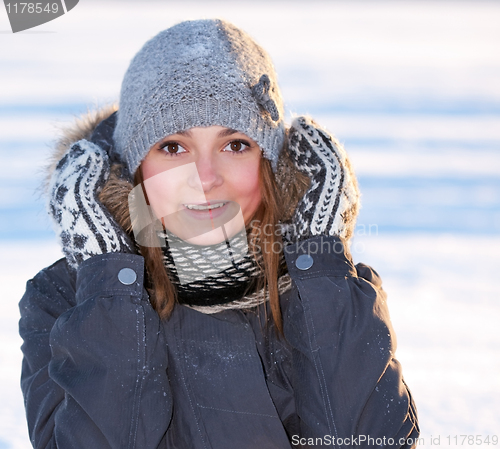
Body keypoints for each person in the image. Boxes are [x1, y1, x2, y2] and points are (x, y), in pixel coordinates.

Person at [19, 19, 419, 448]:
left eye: (235, 145)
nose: (206, 178)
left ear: (272, 164)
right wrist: (107, 285)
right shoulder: (66, 301)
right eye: (173, 147)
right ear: (131, 169)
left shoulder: (329, 290)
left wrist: (321, 260)